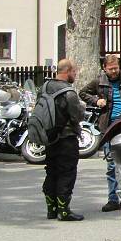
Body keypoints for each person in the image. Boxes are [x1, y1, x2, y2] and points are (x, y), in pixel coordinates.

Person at [80, 55, 121, 212]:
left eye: (116, 67)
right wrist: (96, 101)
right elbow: (82, 92)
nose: (114, 71)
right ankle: (113, 199)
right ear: (105, 68)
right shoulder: (99, 81)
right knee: (111, 165)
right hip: (109, 127)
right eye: (111, 69)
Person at [42, 59, 86, 222]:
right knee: (67, 172)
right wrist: (82, 108)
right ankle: (64, 210)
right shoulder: (69, 92)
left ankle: (51, 209)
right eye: (74, 72)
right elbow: (77, 116)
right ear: (67, 71)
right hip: (66, 138)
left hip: (48, 137)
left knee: (51, 171)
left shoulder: (45, 87)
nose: (75, 75)